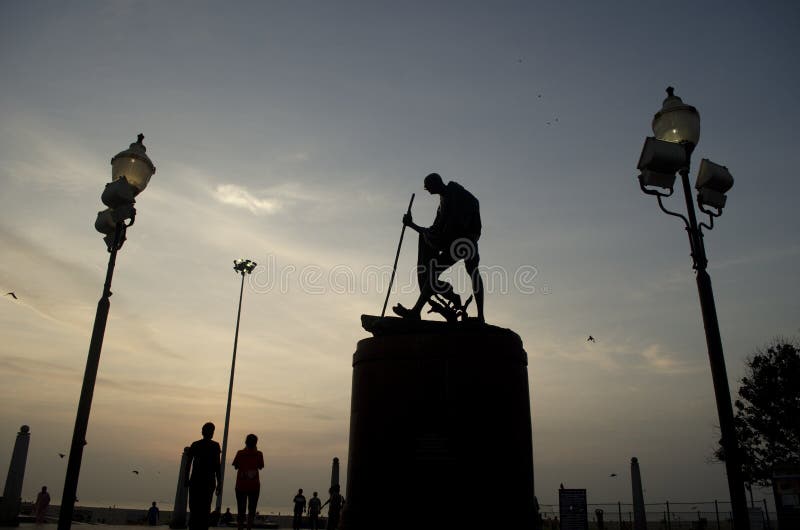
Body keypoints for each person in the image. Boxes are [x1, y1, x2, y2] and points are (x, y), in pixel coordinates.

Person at [394, 172, 485, 322]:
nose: (428, 191)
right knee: (438, 273)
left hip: (465, 242)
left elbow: (473, 203)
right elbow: (435, 231)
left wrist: (465, 227)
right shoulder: (442, 205)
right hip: (458, 244)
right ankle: (417, 311)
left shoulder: (456, 192)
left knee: (472, 273)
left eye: (428, 187)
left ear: (436, 183)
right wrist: (412, 225)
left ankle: (480, 316)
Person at [184, 422, 222, 530]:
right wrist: (219, 483)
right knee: (204, 508)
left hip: (199, 481)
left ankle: (195, 526)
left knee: (195, 508)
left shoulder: (196, 445)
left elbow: (188, 464)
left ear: (202, 432)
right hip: (205, 481)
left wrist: (186, 479)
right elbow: (217, 467)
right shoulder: (214, 446)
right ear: (211, 433)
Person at [232, 434, 264, 530]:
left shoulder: (240, 453)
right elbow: (260, 467)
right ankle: (249, 527)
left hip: (241, 485)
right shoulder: (259, 454)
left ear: (246, 442)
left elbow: (236, 466)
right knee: (252, 509)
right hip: (254, 486)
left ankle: (240, 527)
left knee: (241, 509)